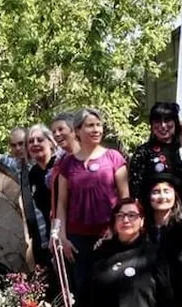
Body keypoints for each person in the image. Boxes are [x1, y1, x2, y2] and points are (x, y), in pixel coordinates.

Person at [55, 108, 130, 296]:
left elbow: (125, 200)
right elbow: (61, 204)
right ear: (77, 131)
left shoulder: (114, 157)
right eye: (90, 125)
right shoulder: (68, 163)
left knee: (111, 289)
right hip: (77, 239)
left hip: (109, 235)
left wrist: (115, 230)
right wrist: (62, 237)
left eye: (99, 125)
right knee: (82, 290)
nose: (96, 129)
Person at [128, 102, 182, 208]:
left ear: (175, 122)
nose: (163, 126)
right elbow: (135, 190)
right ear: (151, 125)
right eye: (157, 121)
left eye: (167, 120)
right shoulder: (143, 152)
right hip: (152, 213)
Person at [21, 124, 56, 265]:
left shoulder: (59, 165)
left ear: (50, 142)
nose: (35, 144)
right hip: (45, 239)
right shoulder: (32, 174)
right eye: (31, 141)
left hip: (67, 235)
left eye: (40, 140)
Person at [144, 174, 182, 245]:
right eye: (156, 192)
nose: (162, 197)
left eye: (166, 191)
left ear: (175, 196)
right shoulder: (142, 228)